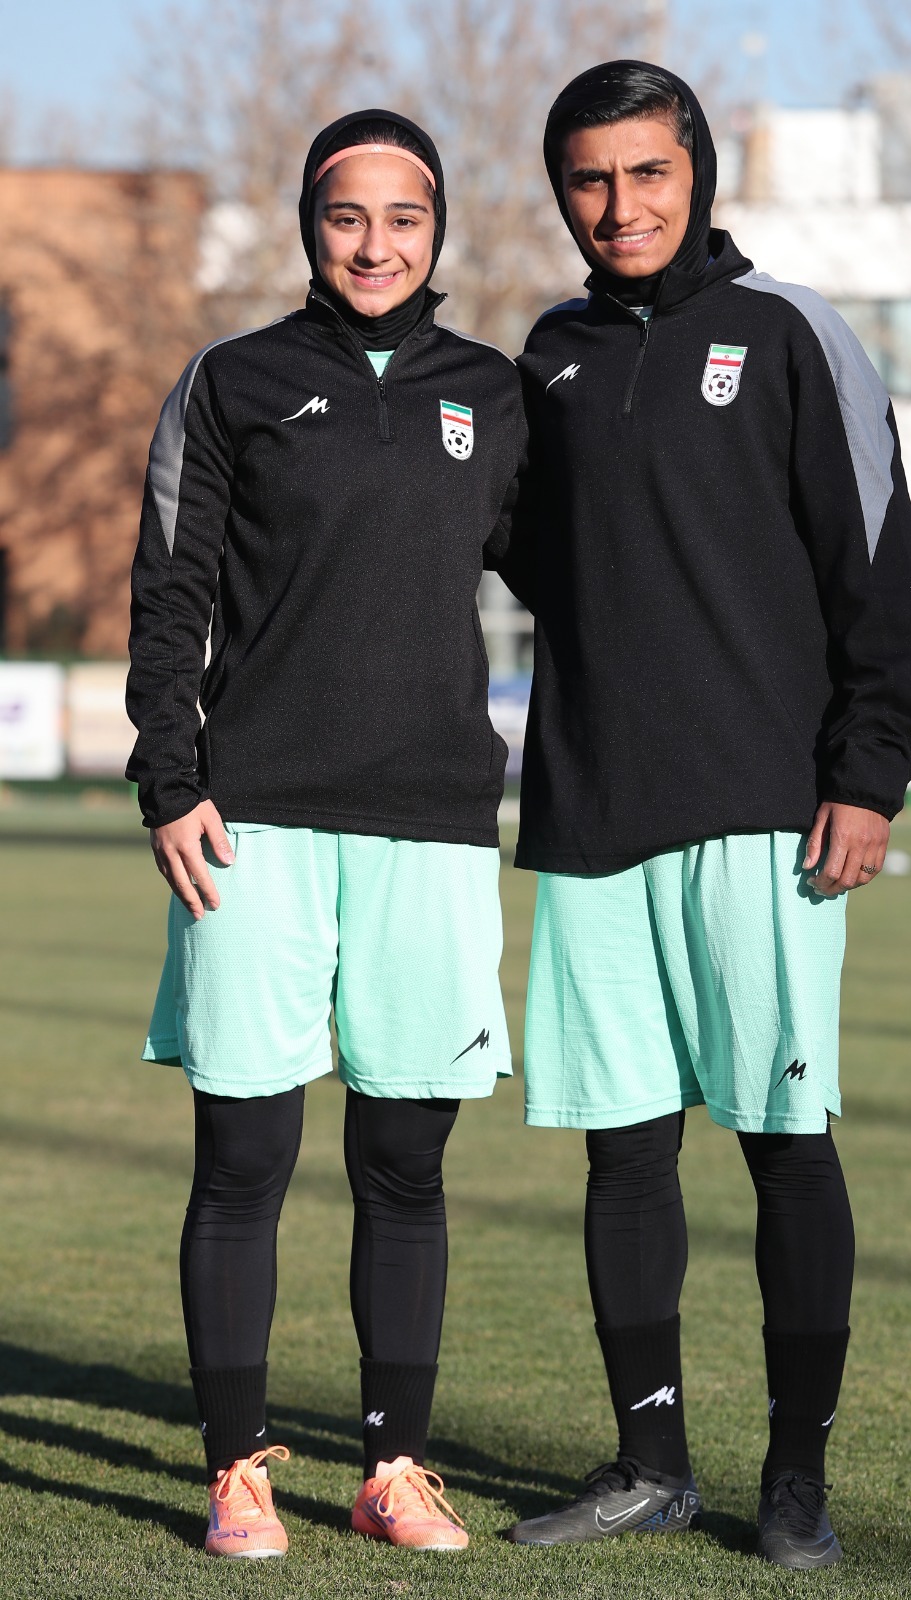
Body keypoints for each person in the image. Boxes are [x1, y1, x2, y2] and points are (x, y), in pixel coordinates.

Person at [504, 62, 911, 1568]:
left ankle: (796, 1478)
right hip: (591, 812)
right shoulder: (547, 357)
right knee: (623, 1156)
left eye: (646, 172)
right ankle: (651, 1465)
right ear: (561, 191)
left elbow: (878, 561)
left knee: (783, 1143)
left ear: (696, 173)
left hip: (768, 814)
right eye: (589, 178)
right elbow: (522, 554)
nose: (619, 204)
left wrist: (867, 772)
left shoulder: (792, 332)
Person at [126, 109, 525, 1558]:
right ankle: (235, 1470)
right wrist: (169, 776)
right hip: (254, 822)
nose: (375, 244)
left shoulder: (491, 392)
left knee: (404, 1166)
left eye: (403, 217)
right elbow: (171, 589)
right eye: (347, 215)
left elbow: (587, 578)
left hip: (431, 824)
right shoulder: (232, 380)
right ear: (310, 224)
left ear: (437, 228)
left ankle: (391, 1468)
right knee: (243, 1155)